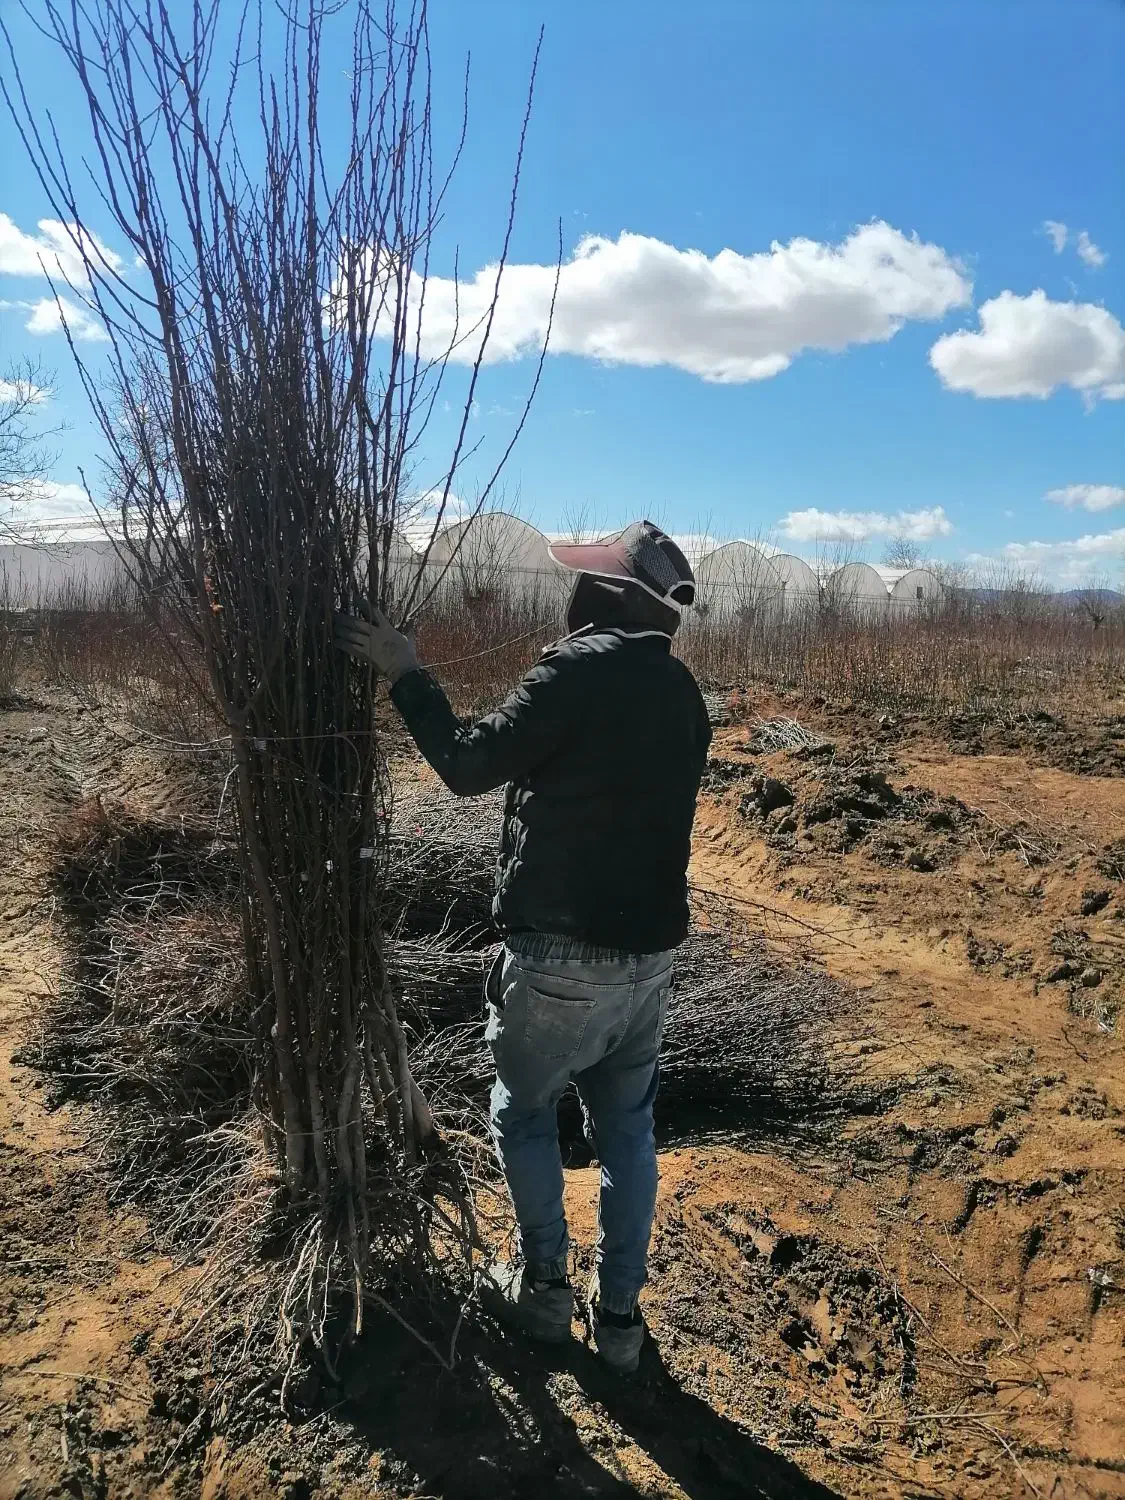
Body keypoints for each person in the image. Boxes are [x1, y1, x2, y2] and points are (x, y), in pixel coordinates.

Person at [335, 520, 711, 1373]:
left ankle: (543, 1293)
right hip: (648, 960)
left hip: (558, 959)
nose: (570, 597)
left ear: (608, 596)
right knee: (627, 1134)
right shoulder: (683, 694)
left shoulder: (574, 672)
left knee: (523, 1112)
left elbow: (469, 766)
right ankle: (619, 1324)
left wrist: (406, 674)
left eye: (586, 582)